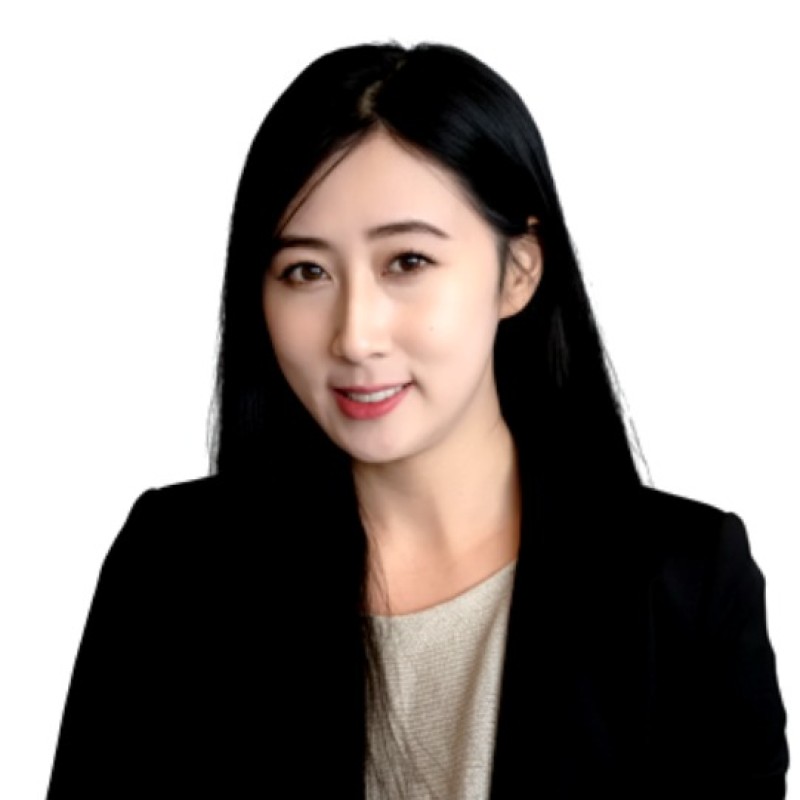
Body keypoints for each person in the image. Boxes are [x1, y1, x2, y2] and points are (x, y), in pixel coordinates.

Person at [46, 41, 789, 799]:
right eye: (306, 271)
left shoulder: (682, 583)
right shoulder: (174, 568)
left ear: (519, 270)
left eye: (407, 262)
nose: (354, 335)